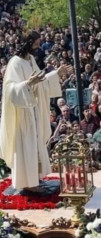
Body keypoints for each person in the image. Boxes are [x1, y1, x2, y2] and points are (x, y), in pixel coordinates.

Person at [0, 30, 72, 190]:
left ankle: (35, 180)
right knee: (25, 146)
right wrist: (27, 84)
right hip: (23, 114)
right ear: (28, 43)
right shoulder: (15, 62)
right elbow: (9, 89)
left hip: (34, 112)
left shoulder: (31, 60)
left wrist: (56, 74)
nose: (38, 47)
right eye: (36, 43)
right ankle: (26, 183)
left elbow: (41, 81)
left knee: (35, 145)